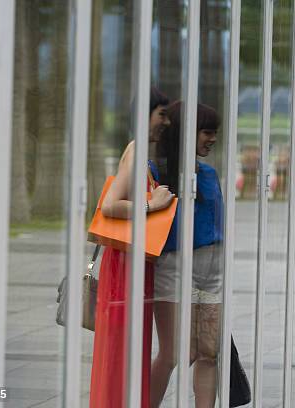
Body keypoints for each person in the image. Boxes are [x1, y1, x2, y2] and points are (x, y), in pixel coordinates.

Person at [90, 87, 175, 408]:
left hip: (133, 262)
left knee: (128, 348)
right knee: (122, 348)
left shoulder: (141, 152)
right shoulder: (137, 150)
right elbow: (111, 205)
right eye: (161, 115)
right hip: (126, 265)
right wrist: (152, 205)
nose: (165, 123)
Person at [151, 101, 224, 408]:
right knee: (175, 353)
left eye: (214, 133)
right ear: (187, 132)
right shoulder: (156, 172)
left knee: (209, 351)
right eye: (207, 132)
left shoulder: (209, 174)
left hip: (212, 269)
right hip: (174, 267)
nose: (212, 139)